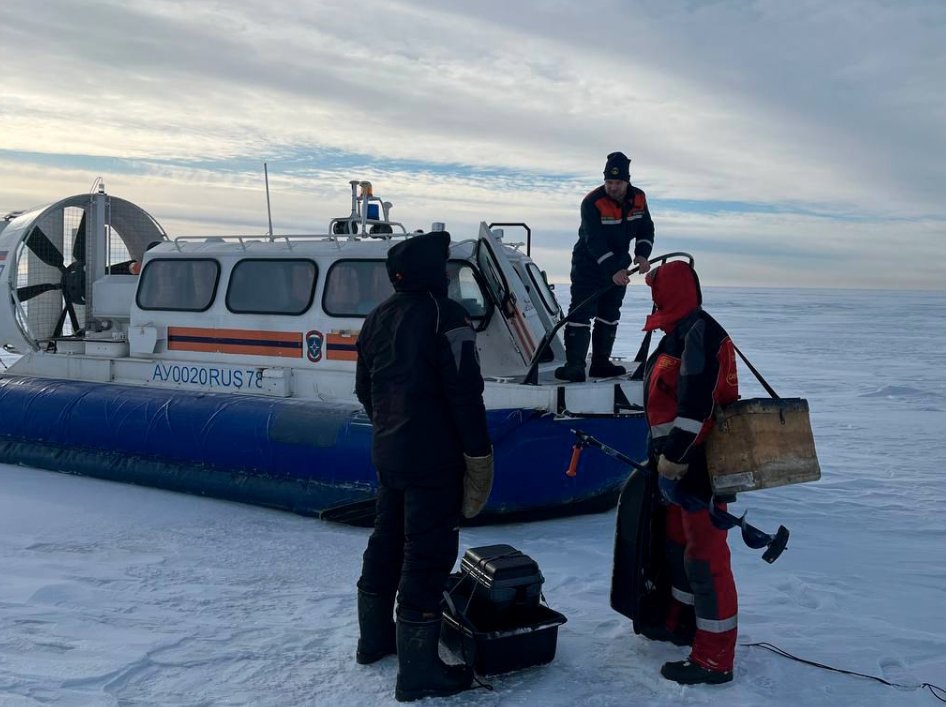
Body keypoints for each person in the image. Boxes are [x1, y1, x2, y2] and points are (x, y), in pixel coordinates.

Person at [354, 231, 493, 702]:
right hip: (434, 459)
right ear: (435, 273)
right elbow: (464, 392)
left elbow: (364, 390)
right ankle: (418, 672)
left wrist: (391, 430)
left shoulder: (376, 318)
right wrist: (478, 454)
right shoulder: (447, 316)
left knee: (387, 540)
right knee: (427, 554)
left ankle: (373, 642)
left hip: (389, 453)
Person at [640, 260, 739, 685]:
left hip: (702, 467)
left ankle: (714, 658)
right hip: (678, 468)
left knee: (705, 557)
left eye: (658, 294)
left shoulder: (700, 333)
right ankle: (683, 625)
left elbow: (696, 407)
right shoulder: (679, 332)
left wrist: (674, 459)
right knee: (681, 546)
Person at [555, 151, 654, 382]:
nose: (612, 187)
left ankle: (600, 363)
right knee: (581, 313)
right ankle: (575, 367)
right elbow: (594, 240)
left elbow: (646, 229)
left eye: (617, 182)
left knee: (609, 314)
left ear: (626, 181)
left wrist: (642, 255)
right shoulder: (592, 202)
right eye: (608, 182)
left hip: (620, 265)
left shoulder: (639, 198)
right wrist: (613, 271)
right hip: (589, 266)